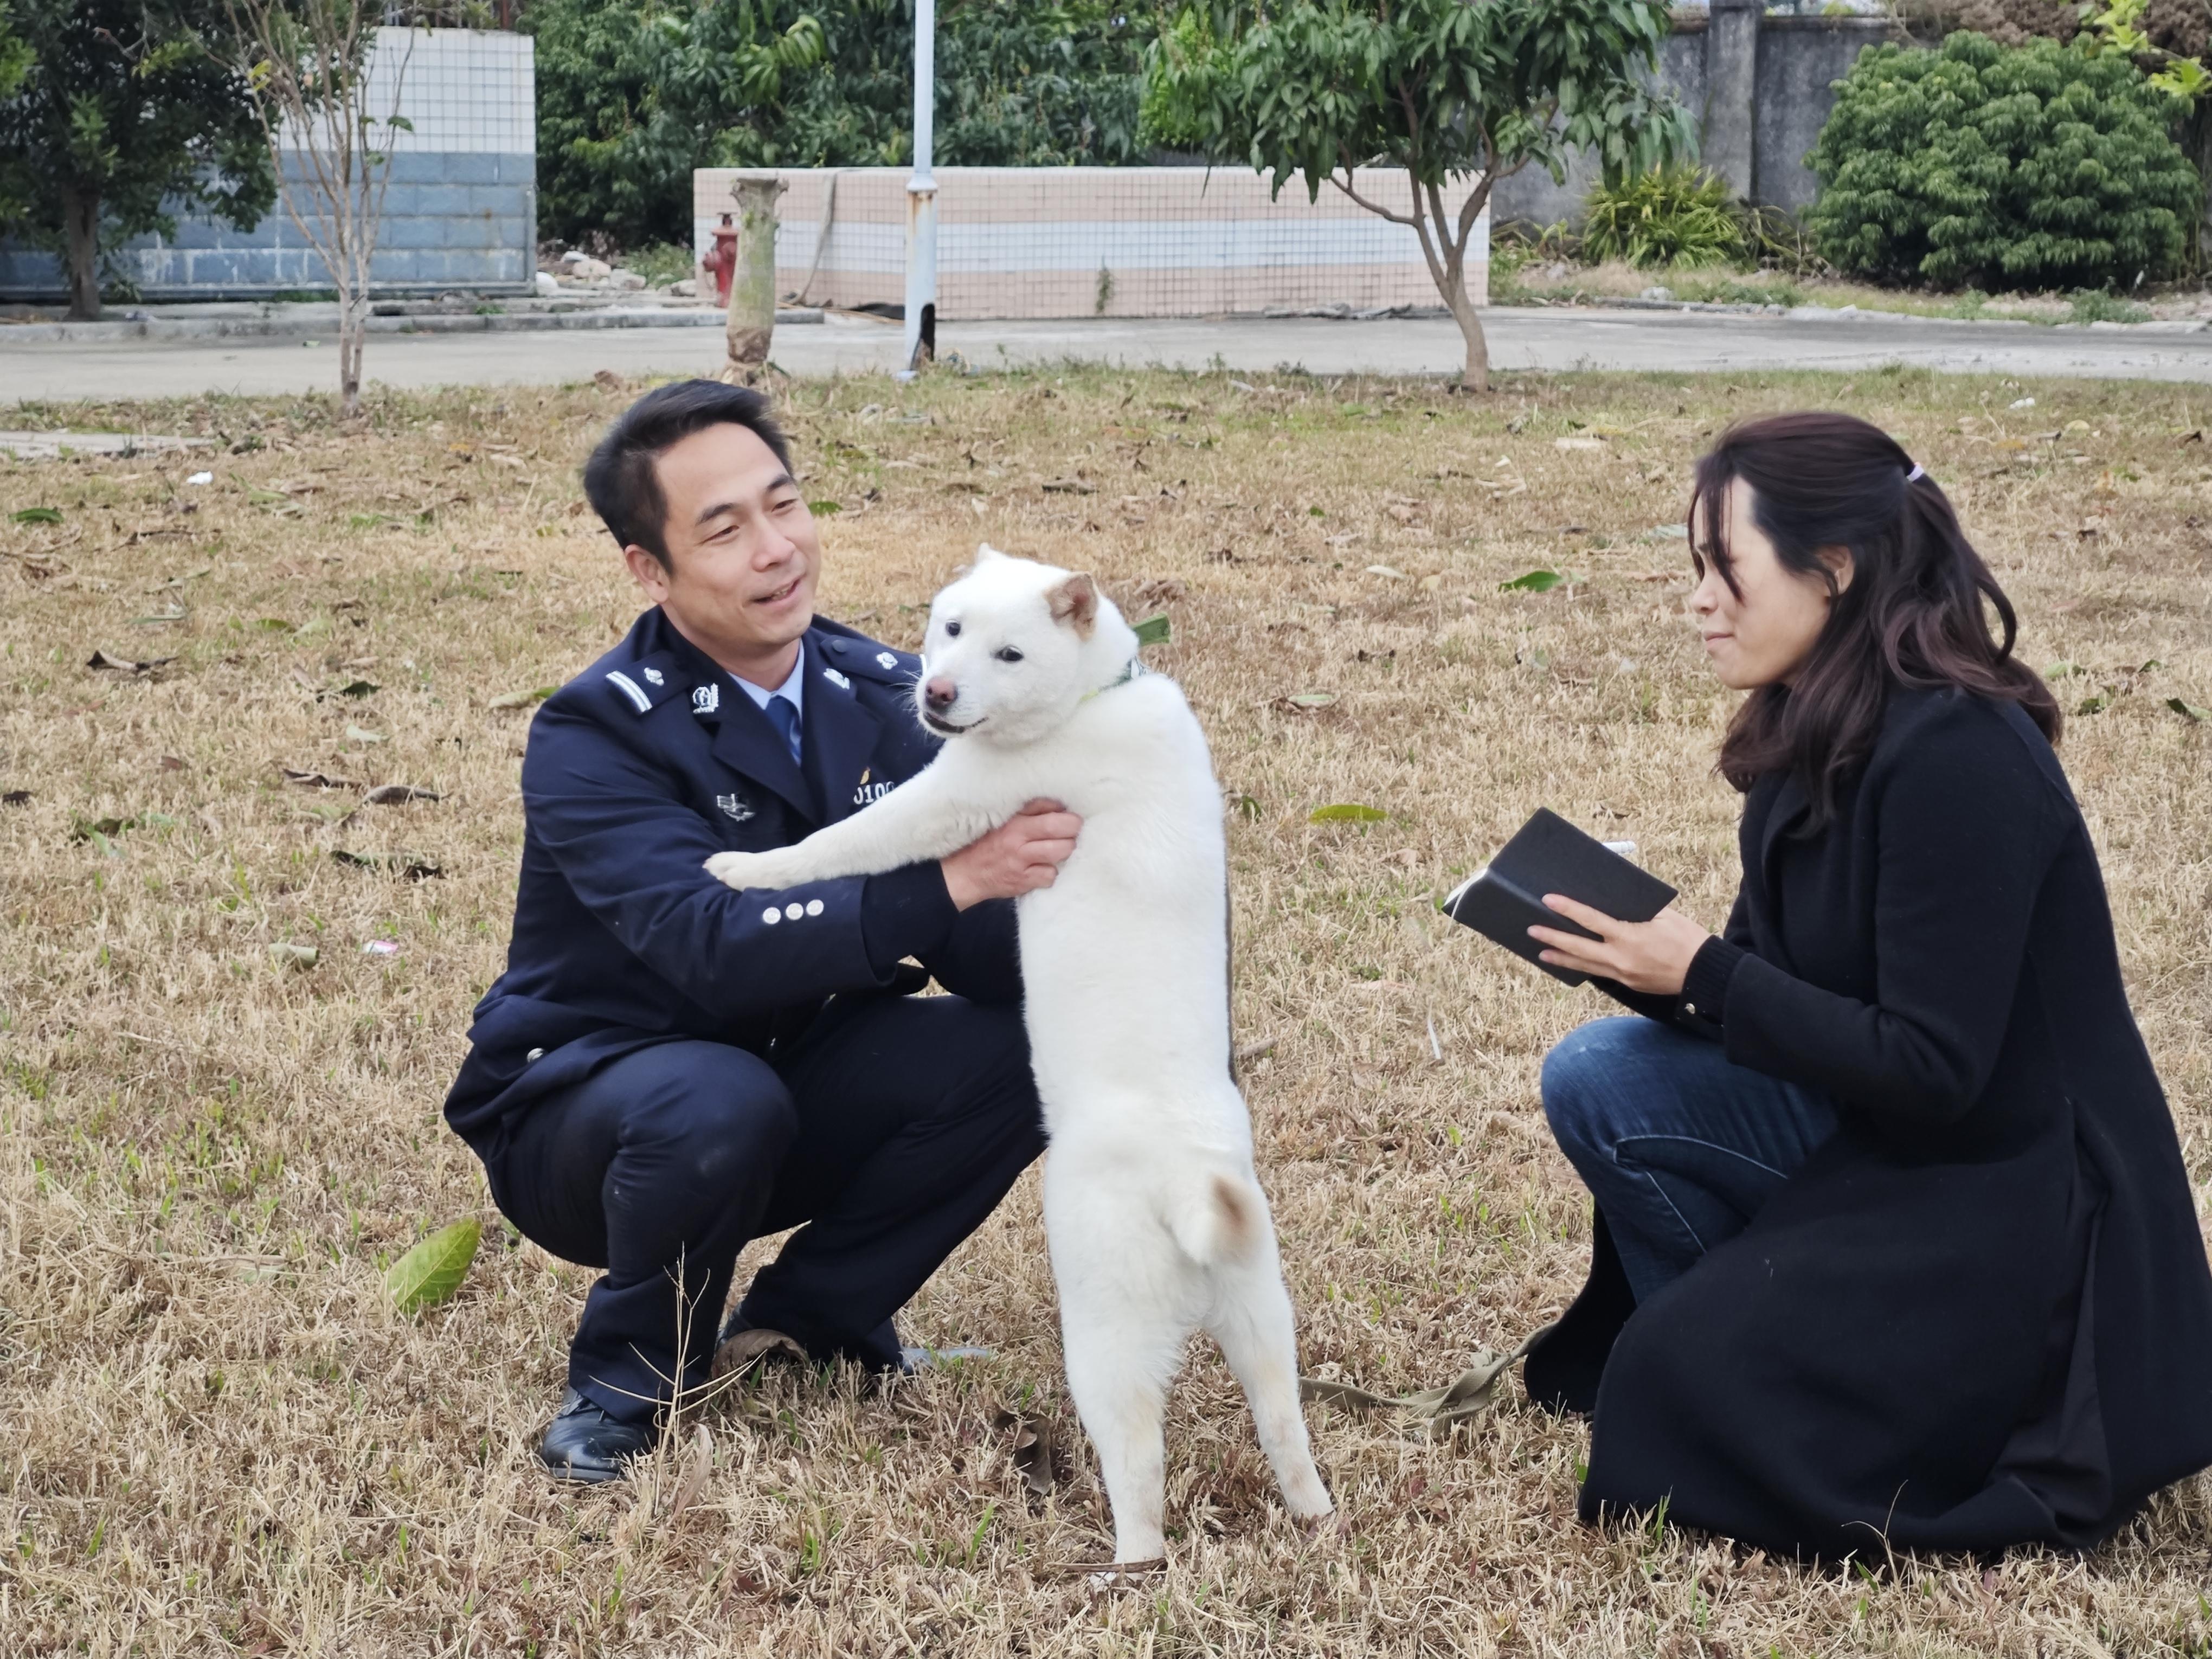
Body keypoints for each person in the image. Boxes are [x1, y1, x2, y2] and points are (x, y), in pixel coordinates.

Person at [1516, 410, 2212, 1558]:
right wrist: (1648, 969)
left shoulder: (1960, 754)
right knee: (1600, 1079)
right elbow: (1779, 994)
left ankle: (1806, 1364)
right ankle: (1758, 1327)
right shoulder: (1811, 725)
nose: (1698, 599)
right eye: (1694, 568)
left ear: (1832, 570)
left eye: (1723, 568)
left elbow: (1940, 1070)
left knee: (1672, 1382)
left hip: (2021, 1195)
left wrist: (1705, 969)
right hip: (1886, 1134)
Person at [442, 380, 1082, 1483]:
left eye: (782, 506)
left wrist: (1059, 880)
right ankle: (629, 1378)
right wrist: (950, 879)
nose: (775, 550)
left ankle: (813, 1322)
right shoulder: (596, 730)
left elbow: (977, 948)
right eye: (724, 529)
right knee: (712, 1098)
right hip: (592, 1113)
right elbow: (713, 942)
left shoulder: (883, 690)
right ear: (650, 569)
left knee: (1049, 1042)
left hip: (788, 1084)